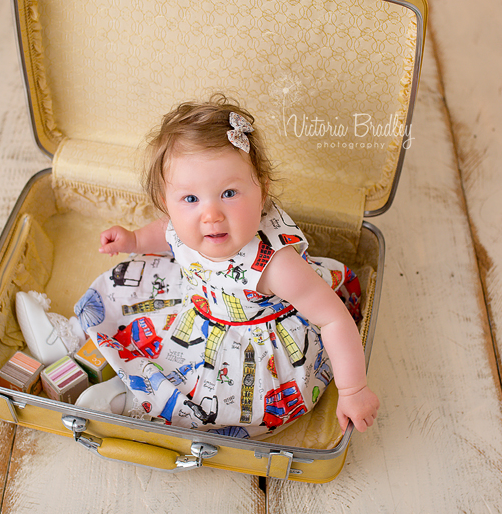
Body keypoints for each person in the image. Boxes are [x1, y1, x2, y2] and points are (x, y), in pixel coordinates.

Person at [73, 94, 378, 438]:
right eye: (190, 199)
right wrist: (134, 240)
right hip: (197, 308)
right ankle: (75, 341)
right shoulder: (184, 225)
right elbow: (166, 232)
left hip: (254, 341)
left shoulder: (276, 265)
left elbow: (333, 317)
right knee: (123, 290)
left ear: (262, 191)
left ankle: (133, 399)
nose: (211, 215)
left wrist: (353, 390)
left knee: (210, 405)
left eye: (229, 193)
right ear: (166, 203)